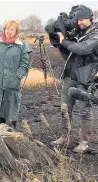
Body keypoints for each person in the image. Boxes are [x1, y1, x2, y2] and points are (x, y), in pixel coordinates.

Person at [51, 5, 98, 153]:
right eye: (78, 20)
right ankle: (65, 137)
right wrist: (61, 25)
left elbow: (83, 49)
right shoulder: (75, 31)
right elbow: (50, 28)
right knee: (65, 108)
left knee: (85, 111)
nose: (80, 22)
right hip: (70, 76)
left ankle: (84, 143)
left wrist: (64, 41)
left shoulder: (95, 34)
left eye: (82, 19)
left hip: (86, 79)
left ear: (90, 18)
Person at [0, 20, 32, 128]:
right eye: (7, 29)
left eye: (12, 29)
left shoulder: (22, 45)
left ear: (16, 31)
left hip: (12, 83)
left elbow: (25, 63)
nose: (9, 31)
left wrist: (17, 76)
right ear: (4, 30)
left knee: (11, 107)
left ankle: (11, 130)